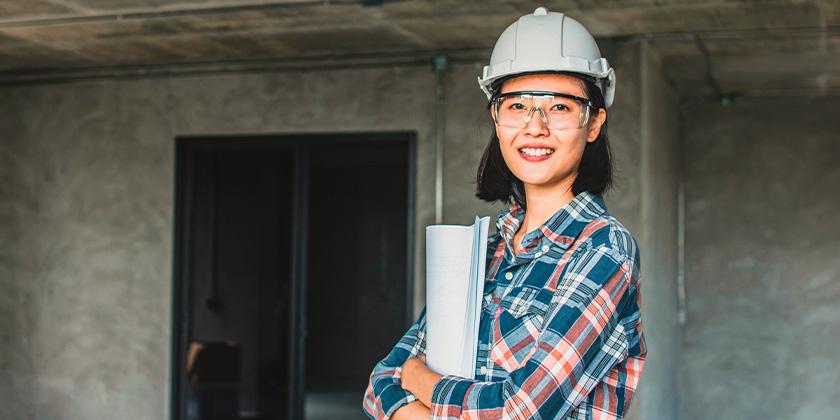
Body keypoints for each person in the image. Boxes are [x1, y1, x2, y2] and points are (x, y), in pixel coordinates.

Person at [362, 7, 645, 419]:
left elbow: (520, 410)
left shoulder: (604, 250)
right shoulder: (487, 251)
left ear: (594, 122)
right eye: (517, 106)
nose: (535, 127)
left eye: (560, 107)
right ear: (497, 118)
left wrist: (423, 382)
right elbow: (379, 385)